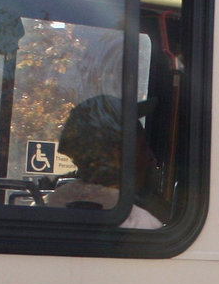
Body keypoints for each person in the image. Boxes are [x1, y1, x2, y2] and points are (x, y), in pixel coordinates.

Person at [42, 94, 165, 229]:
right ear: (113, 155)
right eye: (141, 148)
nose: (151, 157)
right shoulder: (140, 224)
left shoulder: (48, 206)